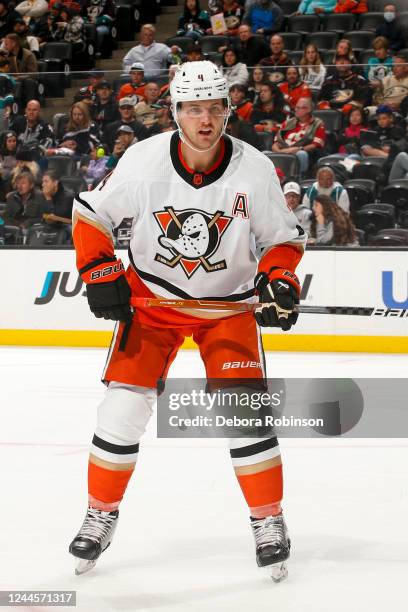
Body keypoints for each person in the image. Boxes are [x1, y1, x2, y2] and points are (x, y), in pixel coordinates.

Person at [68, 60, 306, 580]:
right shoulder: (142, 160)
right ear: (175, 111)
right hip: (154, 305)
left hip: (229, 309)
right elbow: (91, 214)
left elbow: (282, 239)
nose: (204, 118)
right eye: (193, 108)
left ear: (227, 110)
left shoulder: (254, 167)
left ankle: (269, 518)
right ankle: (100, 513)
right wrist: (101, 270)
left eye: (214, 107)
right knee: (120, 412)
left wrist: (279, 279)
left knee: (246, 419)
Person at [272, 97, 326, 176]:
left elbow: (316, 145)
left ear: (308, 109)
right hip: (283, 150)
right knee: (264, 154)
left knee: (302, 154)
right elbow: (276, 143)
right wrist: (279, 151)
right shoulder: (287, 122)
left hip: (300, 151)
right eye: (296, 107)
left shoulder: (318, 124)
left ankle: (300, 178)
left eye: (299, 108)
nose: (296, 110)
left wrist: (299, 149)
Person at [40, 169, 74, 241]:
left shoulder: (67, 197)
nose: (43, 185)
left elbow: (56, 216)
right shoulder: (43, 194)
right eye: (42, 182)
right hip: (48, 227)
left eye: (46, 181)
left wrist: (48, 199)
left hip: (65, 228)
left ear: (55, 183)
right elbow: (40, 214)